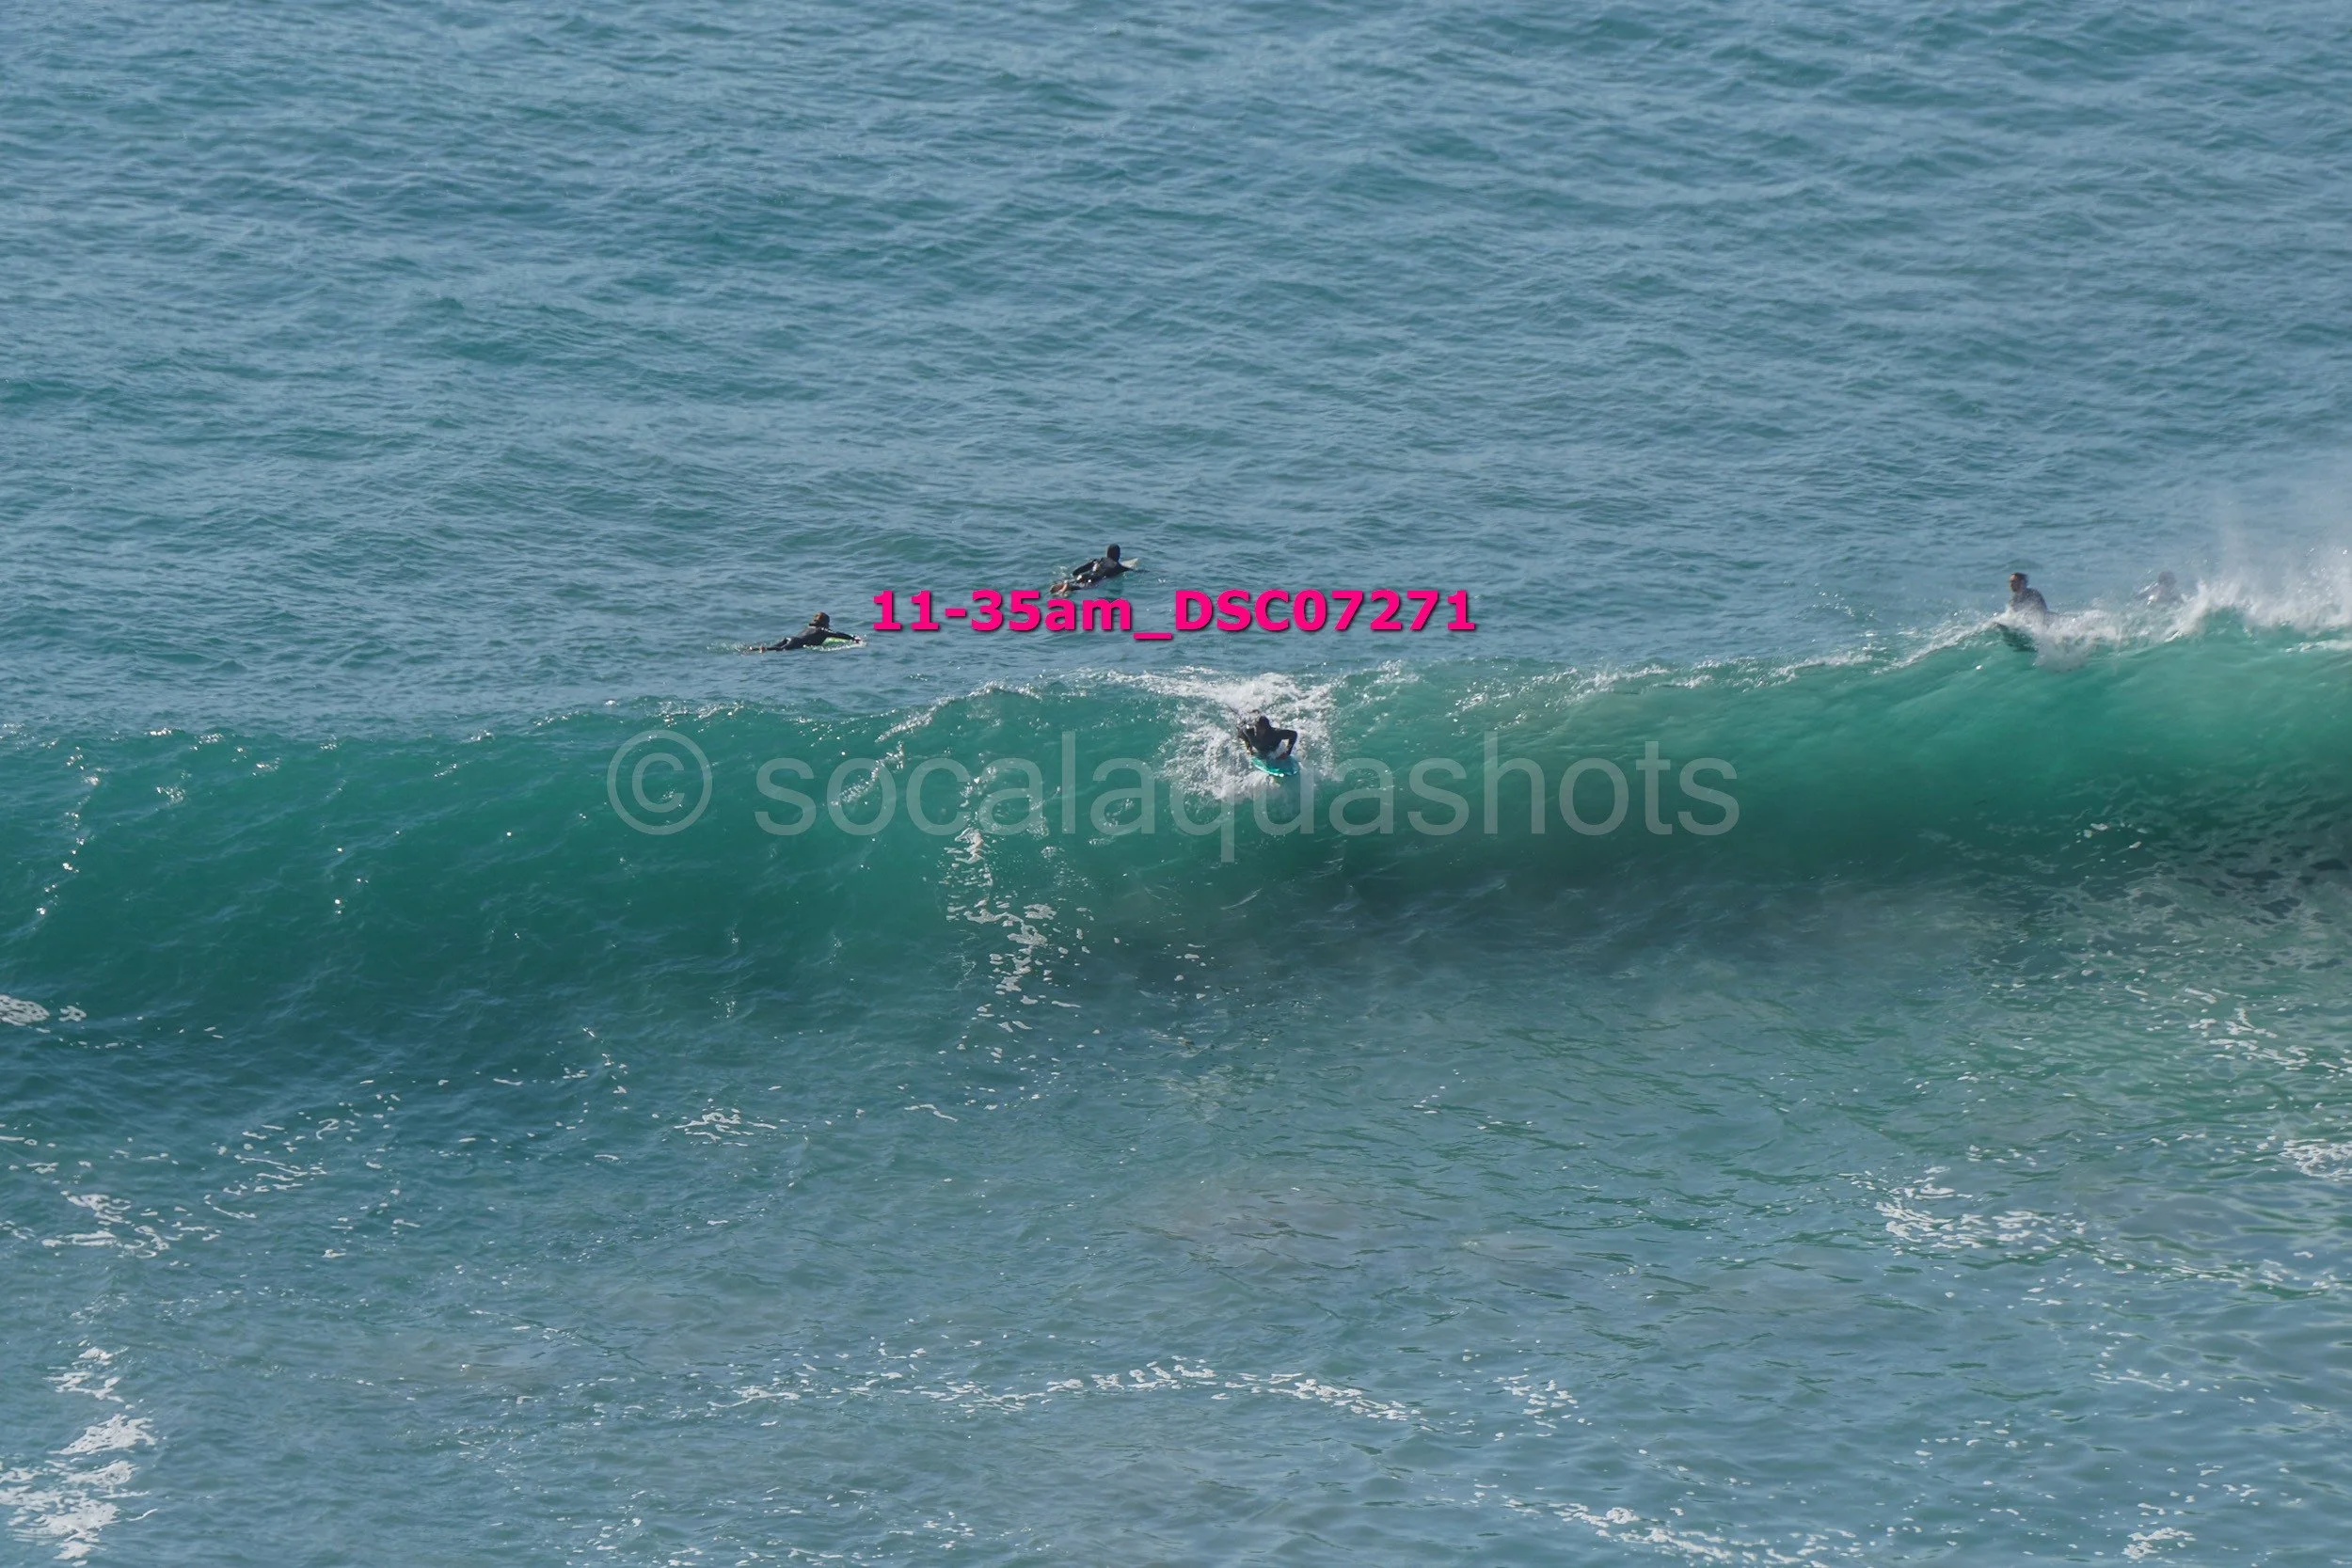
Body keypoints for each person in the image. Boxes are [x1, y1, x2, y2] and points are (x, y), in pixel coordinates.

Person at [756, 610, 861, 652]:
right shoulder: (823, 630)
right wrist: (853, 638)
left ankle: (754, 649)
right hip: (796, 642)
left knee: (775, 647)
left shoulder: (809, 628)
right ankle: (763, 649)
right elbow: (837, 634)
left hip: (789, 638)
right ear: (825, 623)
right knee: (780, 650)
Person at [1057, 544, 1136, 592]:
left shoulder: (1098, 561)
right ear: (1118, 555)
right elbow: (1133, 570)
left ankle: (1062, 585)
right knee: (1082, 587)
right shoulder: (1119, 567)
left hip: (1085, 575)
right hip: (1096, 579)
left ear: (1107, 554)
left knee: (1075, 581)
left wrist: (1074, 574)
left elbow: (1078, 571)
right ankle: (1068, 586)